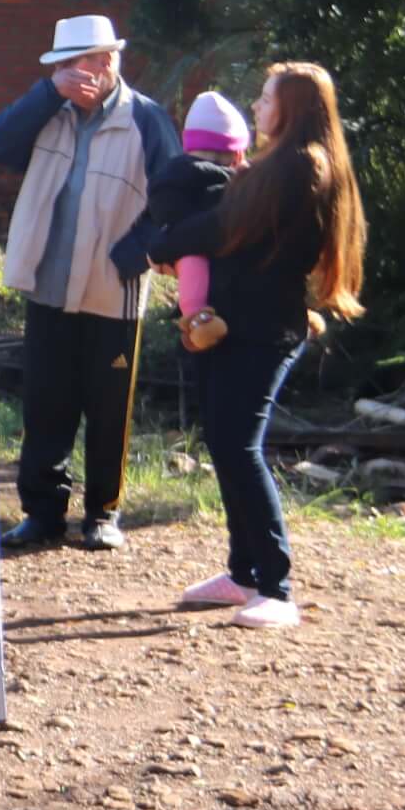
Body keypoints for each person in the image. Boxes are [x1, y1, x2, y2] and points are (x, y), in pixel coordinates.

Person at [146, 64, 365, 630]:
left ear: (291, 107)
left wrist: (163, 243)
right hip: (236, 326)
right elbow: (225, 232)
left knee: (239, 447)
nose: (258, 106)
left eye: (267, 98)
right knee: (223, 442)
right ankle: (243, 573)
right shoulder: (277, 165)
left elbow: (221, 229)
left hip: (265, 332)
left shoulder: (299, 167)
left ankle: (276, 585)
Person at [0, 12, 178, 554]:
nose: (94, 69)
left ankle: (103, 513)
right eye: (80, 62)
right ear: (63, 68)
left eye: (102, 58)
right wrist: (47, 94)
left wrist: (134, 252)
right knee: (45, 403)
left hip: (112, 291)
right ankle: (42, 513)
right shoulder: (49, 112)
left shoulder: (147, 118)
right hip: (47, 283)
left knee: (108, 406)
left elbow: (177, 195)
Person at [111, 90, 251, 352]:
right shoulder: (233, 181)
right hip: (206, 253)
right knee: (194, 263)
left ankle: (197, 317)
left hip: (178, 244)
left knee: (192, 267)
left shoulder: (173, 172)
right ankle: (199, 318)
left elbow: (152, 213)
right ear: (237, 155)